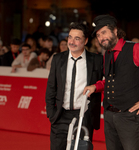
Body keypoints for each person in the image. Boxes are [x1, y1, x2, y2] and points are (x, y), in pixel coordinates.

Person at [83, 15, 139, 150]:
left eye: (104, 32)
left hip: (129, 116)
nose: (101, 37)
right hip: (109, 115)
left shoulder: (135, 48)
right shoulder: (107, 53)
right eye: (98, 35)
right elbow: (110, 81)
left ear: (114, 31)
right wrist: (95, 87)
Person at [45, 22, 103, 150]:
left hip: (84, 116)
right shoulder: (58, 59)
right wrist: (51, 113)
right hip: (60, 115)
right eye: (70, 37)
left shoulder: (96, 60)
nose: (72, 41)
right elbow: (51, 87)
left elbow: (107, 81)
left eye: (77, 38)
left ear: (86, 40)